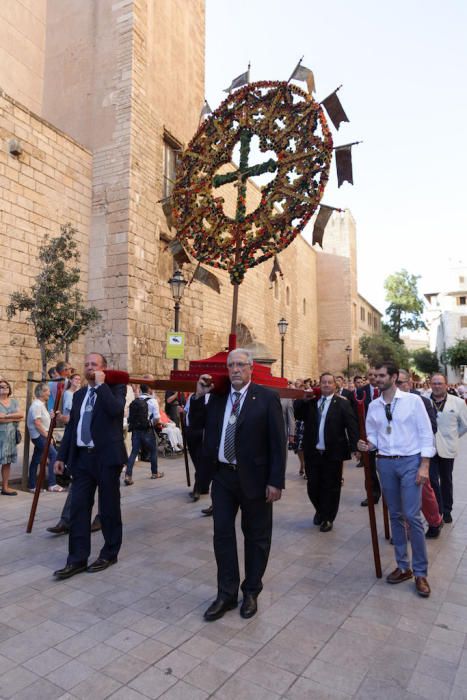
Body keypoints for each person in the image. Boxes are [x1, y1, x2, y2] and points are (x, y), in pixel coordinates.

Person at [189, 348, 286, 621]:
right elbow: (196, 428)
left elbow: (277, 444)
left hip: (255, 479)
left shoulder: (266, 398)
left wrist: (275, 481)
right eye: (231, 365)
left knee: (256, 537)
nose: (235, 370)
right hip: (223, 478)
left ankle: (252, 590)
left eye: (240, 365)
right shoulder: (217, 398)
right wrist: (198, 396)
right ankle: (226, 594)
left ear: (251, 367)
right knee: (222, 535)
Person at [358, 362, 435, 598]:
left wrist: (424, 465)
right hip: (385, 462)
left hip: (411, 462)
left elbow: (425, 432)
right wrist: (367, 444)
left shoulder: (413, 401)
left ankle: (421, 572)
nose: (377, 379)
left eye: (382, 376)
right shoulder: (373, 405)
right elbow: (373, 434)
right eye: (376, 376)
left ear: (393, 377)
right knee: (395, 515)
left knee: (412, 516)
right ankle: (404, 567)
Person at [53, 352, 127, 579]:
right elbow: (72, 428)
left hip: (106, 458)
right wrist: (61, 456)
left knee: (109, 508)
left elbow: (116, 411)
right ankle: (76, 558)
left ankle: (109, 552)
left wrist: (102, 386)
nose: (89, 367)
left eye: (94, 364)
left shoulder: (115, 389)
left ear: (104, 368)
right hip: (83, 459)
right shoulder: (79, 395)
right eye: (86, 364)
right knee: (78, 508)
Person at [294, 372, 359, 532]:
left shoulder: (342, 404)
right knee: (313, 486)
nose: (327, 385)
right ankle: (320, 510)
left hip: (333, 453)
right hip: (313, 452)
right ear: (319, 385)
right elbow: (298, 414)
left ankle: (328, 517)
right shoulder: (311, 402)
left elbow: (351, 425)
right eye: (324, 382)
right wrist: (303, 400)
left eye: (330, 382)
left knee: (332, 487)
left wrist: (355, 446)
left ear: (335, 385)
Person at [396, 370, 441, 538]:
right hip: (394, 456)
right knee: (400, 494)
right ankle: (405, 528)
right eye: (395, 383)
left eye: (400, 383)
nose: (397, 387)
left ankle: (435, 520)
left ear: (409, 384)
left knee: (424, 492)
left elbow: (432, 428)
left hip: (416, 456)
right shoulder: (387, 401)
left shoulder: (422, 401)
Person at [428, 373, 467, 524]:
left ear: (446, 385)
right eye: (434, 383)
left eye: (440, 383)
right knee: (432, 480)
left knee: (446, 479)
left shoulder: (458, 402)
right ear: (431, 385)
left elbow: (464, 425)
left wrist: (453, 436)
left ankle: (447, 509)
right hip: (429, 448)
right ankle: (437, 509)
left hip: (448, 448)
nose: (437, 386)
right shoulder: (424, 402)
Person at [125, 383, 163, 485]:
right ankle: (154, 473)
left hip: (136, 430)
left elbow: (129, 417)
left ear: (140, 390)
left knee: (134, 452)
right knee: (153, 450)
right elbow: (156, 418)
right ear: (149, 389)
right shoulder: (153, 401)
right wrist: (154, 424)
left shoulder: (135, 401)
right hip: (147, 430)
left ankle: (128, 476)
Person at [27, 383, 62, 492]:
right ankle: (52, 484)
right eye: (47, 391)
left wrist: (51, 417)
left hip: (41, 435)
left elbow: (42, 421)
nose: (49, 393)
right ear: (41, 392)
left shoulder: (41, 405)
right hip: (40, 436)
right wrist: (48, 437)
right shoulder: (37, 405)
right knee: (54, 455)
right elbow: (37, 423)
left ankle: (32, 486)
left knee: (36, 460)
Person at [357, 367, 382, 506]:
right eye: (370, 375)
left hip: (385, 436)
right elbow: (356, 414)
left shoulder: (386, 390)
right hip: (368, 436)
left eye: (376, 374)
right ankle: (373, 494)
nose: (373, 377)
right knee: (369, 467)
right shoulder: (361, 392)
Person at [0, 379, 23, 495]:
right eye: (1, 387)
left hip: (11, 437)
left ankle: (5, 487)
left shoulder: (14, 402)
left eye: (6, 387)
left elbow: (21, 415)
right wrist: (13, 417)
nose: (4, 388)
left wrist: (6, 416)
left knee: (7, 462)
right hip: (0, 436)